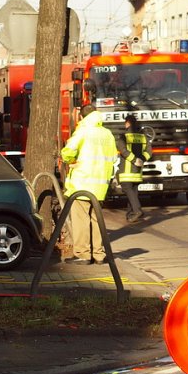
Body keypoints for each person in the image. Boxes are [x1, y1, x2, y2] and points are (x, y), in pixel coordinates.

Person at [60, 104, 118, 265]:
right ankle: (99, 254)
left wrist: (70, 160)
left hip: (82, 182)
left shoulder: (83, 131)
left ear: (82, 116)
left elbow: (68, 151)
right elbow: (113, 158)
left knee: (81, 220)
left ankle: (83, 254)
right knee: (96, 219)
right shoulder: (107, 134)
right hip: (100, 185)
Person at [115, 114, 151, 223]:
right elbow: (149, 151)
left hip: (126, 171)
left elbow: (123, 151)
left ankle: (137, 210)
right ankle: (130, 214)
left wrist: (134, 160)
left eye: (125, 122)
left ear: (128, 123)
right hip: (138, 171)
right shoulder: (143, 137)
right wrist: (141, 160)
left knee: (127, 189)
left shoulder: (124, 137)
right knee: (133, 192)